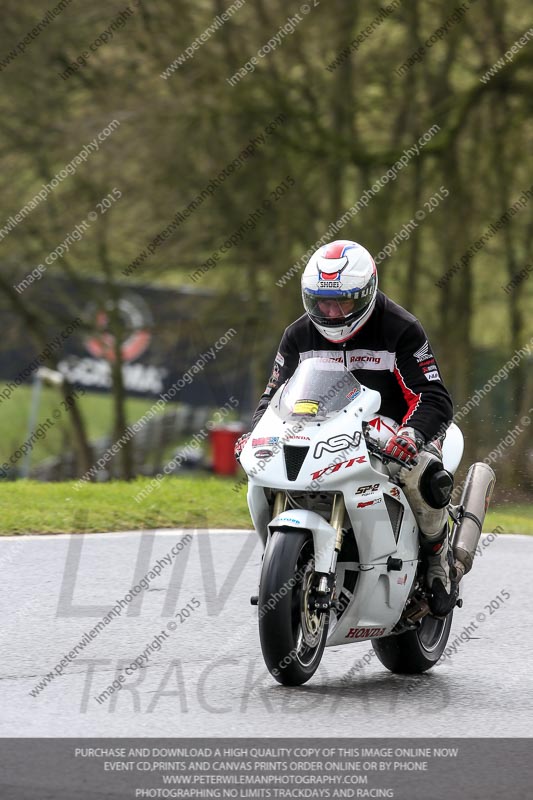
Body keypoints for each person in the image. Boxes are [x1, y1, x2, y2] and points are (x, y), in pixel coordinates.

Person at [235, 239, 458, 616]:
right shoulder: (297, 336)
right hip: (322, 431)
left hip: (395, 429)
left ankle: (438, 558)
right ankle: (287, 563)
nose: (333, 312)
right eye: (322, 302)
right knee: (262, 479)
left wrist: (413, 435)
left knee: (423, 474)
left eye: (344, 302)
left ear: (366, 293)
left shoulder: (401, 329)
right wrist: (256, 433)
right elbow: (272, 397)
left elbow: (434, 396)